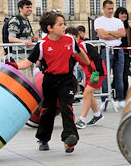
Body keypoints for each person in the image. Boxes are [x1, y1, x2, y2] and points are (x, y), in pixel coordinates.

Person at [8, 11, 91, 153]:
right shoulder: (42, 44)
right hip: (50, 81)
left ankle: (69, 138)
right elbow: (28, 62)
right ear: (49, 28)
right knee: (48, 110)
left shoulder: (70, 40)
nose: (64, 26)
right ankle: (43, 139)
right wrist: (15, 66)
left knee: (67, 108)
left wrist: (87, 62)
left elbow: (79, 51)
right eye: (60, 24)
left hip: (66, 79)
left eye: (64, 23)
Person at [67, 27, 106, 129]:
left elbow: (98, 58)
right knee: (89, 95)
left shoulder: (85, 45)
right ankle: (97, 115)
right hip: (88, 74)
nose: (69, 41)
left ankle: (82, 120)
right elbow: (71, 63)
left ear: (78, 37)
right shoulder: (71, 49)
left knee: (87, 93)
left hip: (97, 72)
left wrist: (97, 73)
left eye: (71, 38)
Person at [94, 0, 126, 109]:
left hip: (118, 49)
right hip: (106, 49)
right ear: (103, 8)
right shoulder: (99, 21)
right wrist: (115, 34)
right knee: (105, 76)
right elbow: (102, 35)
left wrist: (109, 33)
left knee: (119, 76)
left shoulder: (118, 21)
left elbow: (123, 34)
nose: (111, 11)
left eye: (112, 8)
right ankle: (104, 99)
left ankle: (120, 98)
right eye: (108, 9)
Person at [5, 0, 39, 65]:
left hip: (28, 55)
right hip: (20, 56)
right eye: (27, 7)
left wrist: (32, 39)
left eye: (30, 7)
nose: (30, 9)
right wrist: (25, 42)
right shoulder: (15, 20)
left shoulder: (26, 20)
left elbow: (23, 36)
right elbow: (11, 38)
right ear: (20, 9)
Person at [114, 7, 131, 103]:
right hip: (117, 53)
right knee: (118, 75)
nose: (124, 15)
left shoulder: (128, 27)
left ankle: (125, 95)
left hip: (127, 53)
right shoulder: (114, 26)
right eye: (121, 13)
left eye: (125, 13)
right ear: (117, 15)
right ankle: (119, 96)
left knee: (125, 75)